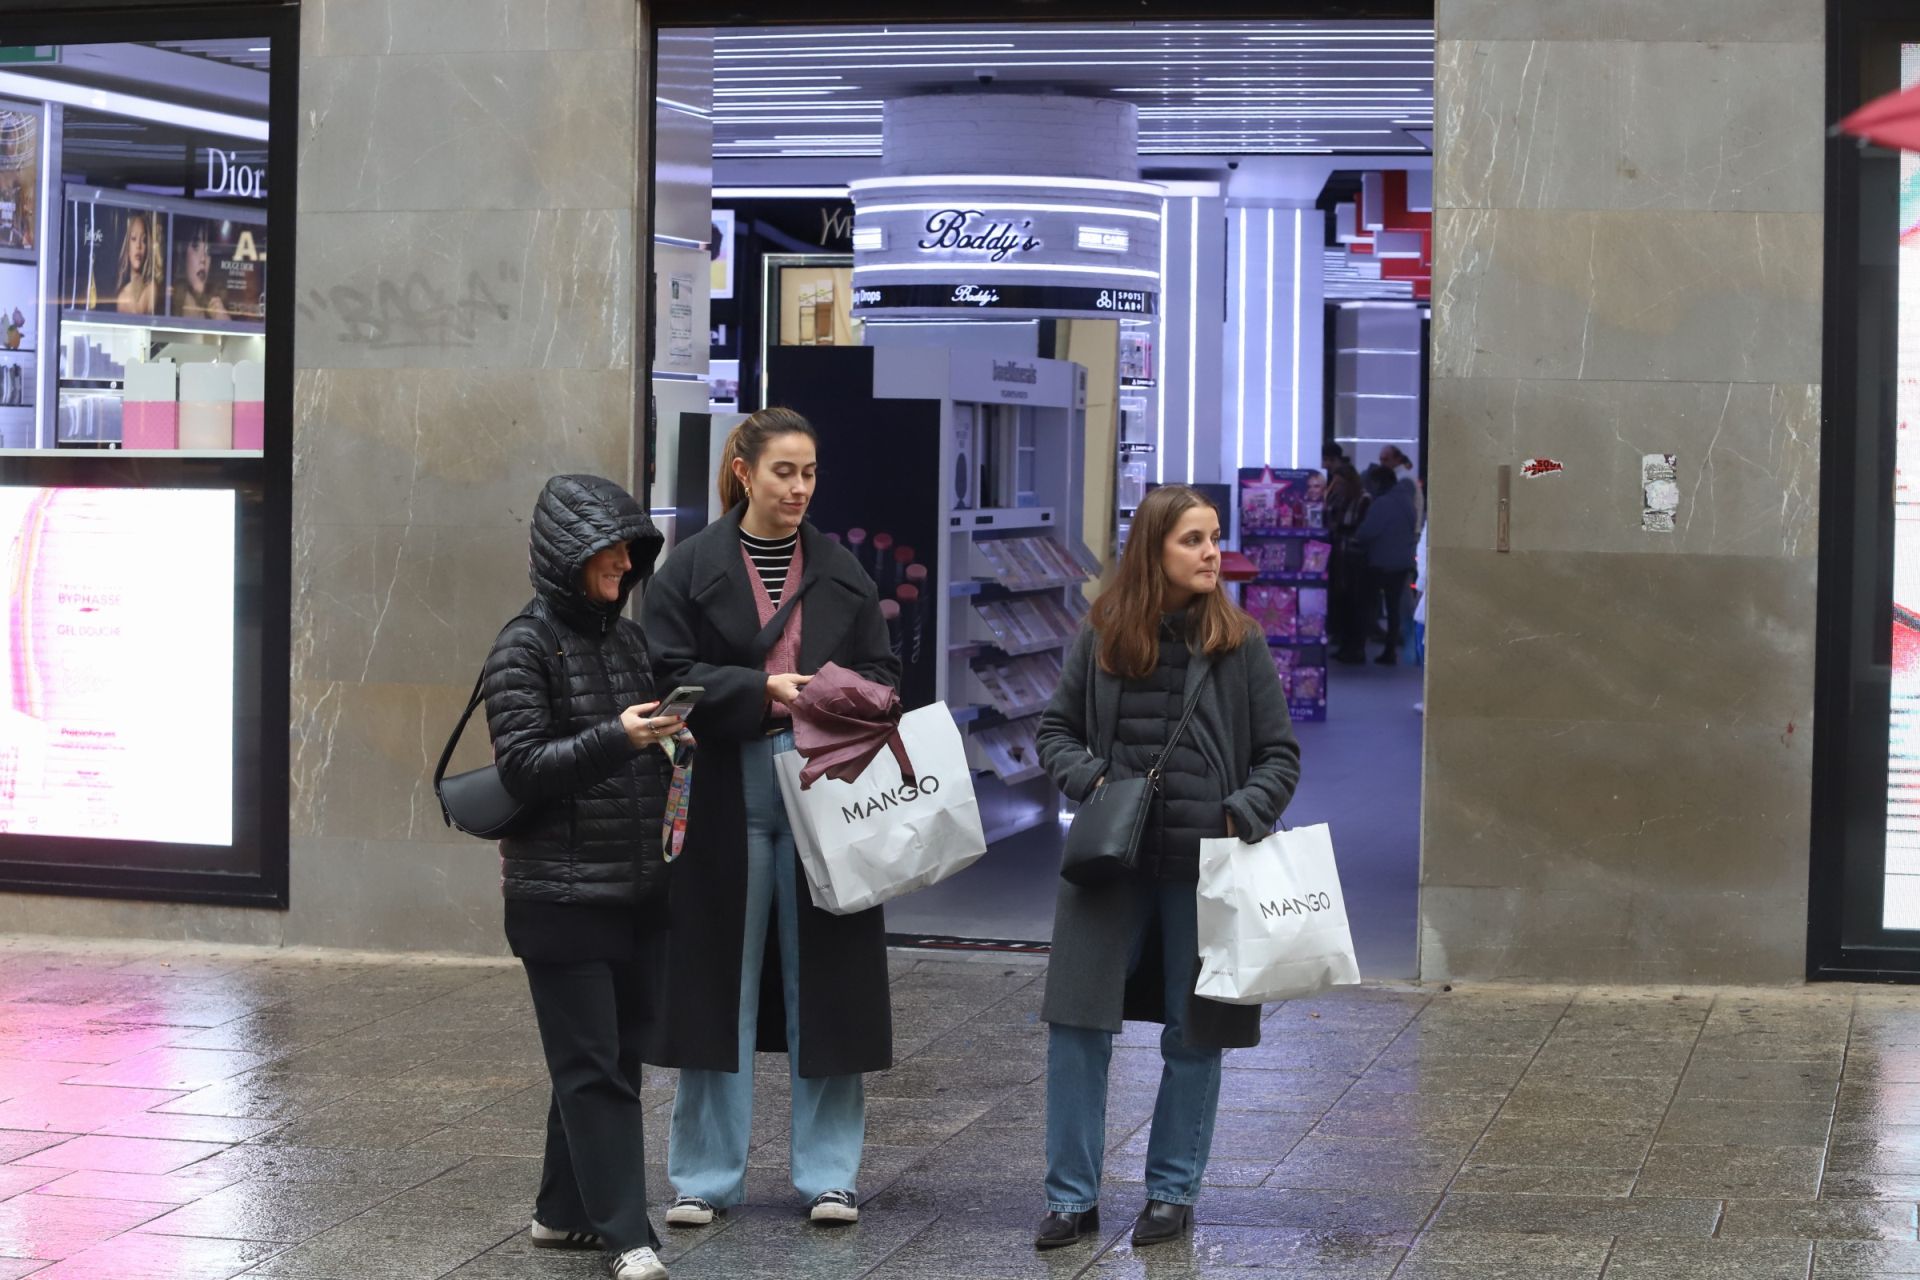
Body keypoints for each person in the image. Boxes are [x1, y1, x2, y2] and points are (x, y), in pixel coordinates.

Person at [642, 407, 900, 1230]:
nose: (799, 488)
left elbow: (886, 675)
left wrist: (820, 695)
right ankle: (703, 1178)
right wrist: (759, 691)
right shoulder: (688, 569)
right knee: (717, 979)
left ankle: (831, 1176)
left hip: (828, 784)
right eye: (785, 471)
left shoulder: (842, 571)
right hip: (724, 783)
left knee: (829, 978)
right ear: (745, 471)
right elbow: (665, 678)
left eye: (810, 473)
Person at [1032, 484, 1302, 1252]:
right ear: (1155, 549)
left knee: (1195, 1032)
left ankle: (1171, 1193)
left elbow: (1279, 755)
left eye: (1214, 537)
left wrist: (1241, 810)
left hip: (1204, 869)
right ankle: (1070, 1198)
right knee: (1077, 1028)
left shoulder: (1238, 642)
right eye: (1193, 539)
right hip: (1107, 867)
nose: (1212, 551)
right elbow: (1055, 730)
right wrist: (1092, 782)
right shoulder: (1105, 633)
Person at [482, 473, 677, 1280]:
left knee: (609, 1059)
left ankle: (562, 1213)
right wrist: (618, 740)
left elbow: (630, 746)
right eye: (611, 548)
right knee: (594, 1066)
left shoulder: (627, 642)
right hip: (557, 897)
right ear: (571, 554)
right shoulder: (521, 646)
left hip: (631, 890)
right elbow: (524, 767)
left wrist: (669, 738)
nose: (626, 562)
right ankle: (628, 1234)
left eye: (632, 548)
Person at [1350, 463, 1420, 666]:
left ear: (1379, 483)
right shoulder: (1407, 500)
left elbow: (1367, 532)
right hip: (1402, 563)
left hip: (1381, 562)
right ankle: (1390, 651)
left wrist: (1357, 537)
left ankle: (1358, 650)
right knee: (1394, 609)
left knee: (1367, 606)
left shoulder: (1382, 503)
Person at [172, 221, 230, 321]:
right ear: (182, 251)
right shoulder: (169, 301)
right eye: (196, 247)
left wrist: (225, 323)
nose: (203, 258)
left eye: (208, 250)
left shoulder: (217, 305)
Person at [114, 212, 159, 315]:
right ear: (127, 246)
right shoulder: (122, 297)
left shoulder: (151, 288)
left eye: (143, 240)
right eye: (134, 239)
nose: (138, 246)